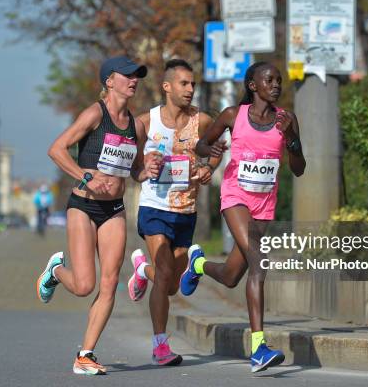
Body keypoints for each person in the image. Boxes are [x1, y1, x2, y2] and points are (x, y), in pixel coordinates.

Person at [179, 62, 306, 373]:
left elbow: (299, 168)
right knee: (259, 262)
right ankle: (258, 347)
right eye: (269, 80)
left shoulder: (286, 120)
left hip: (265, 204)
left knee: (232, 276)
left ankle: (197, 264)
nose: (276, 85)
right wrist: (214, 148)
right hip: (235, 197)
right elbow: (200, 144)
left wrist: (290, 138)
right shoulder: (232, 115)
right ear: (253, 85)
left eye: (278, 80)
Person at [35, 55, 156, 376]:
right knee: (83, 285)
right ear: (109, 81)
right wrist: (85, 176)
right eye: (127, 75)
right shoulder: (94, 114)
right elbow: (57, 149)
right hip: (83, 206)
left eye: (137, 76)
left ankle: (85, 354)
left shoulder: (137, 126)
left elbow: (136, 170)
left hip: (114, 209)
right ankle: (56, 271)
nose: (134, 80)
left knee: (110, 281)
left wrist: (149, 169)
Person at [127, 59, 221, 366]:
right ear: (166, 87)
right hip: (154, 207)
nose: (190, 89)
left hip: (186, 210)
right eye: (184, 83)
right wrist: (144, 168)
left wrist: (208, 168)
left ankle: (141, 270)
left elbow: (218, 149)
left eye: (193, 84)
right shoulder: (145, 122)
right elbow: (132, 168)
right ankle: (160, 346)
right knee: (165, 272)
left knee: (168, 286)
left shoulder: (203, 121)